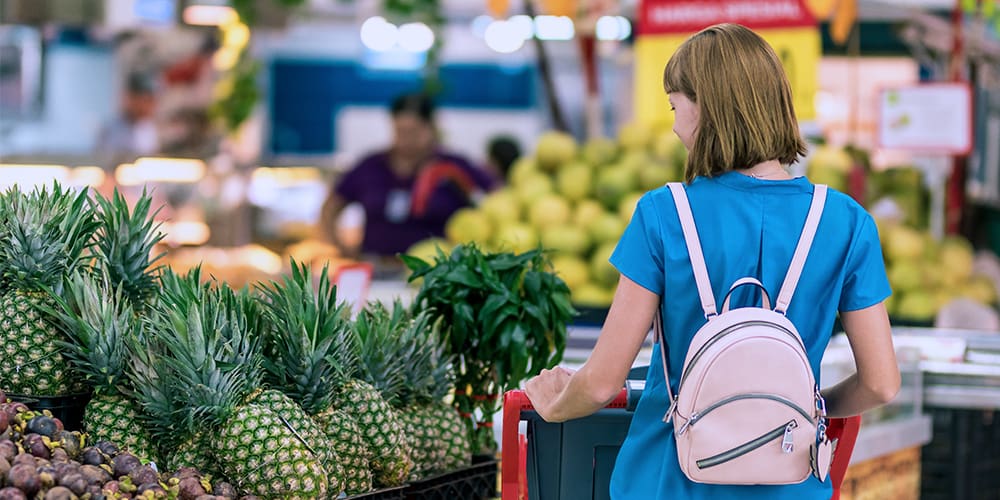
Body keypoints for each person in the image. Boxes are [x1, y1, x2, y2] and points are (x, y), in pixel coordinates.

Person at [524, 23, 900, 500]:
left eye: (675, 106)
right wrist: (797, 408)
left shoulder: (663, 214)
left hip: (667, 481)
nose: (676, 125)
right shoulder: (846, 222)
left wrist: (553, 406)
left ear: (706, 109)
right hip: (791, 480)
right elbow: (881, 384)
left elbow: (600, 383)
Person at [319, 92, 497, 261]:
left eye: (413, 132)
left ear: (431, 128)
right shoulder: (370, 166)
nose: (406, 139)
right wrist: (341, 249)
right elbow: (331, 208)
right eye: (400, 131)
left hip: (438, 273)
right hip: (376, 268)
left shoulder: (453, 167)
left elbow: (495, 200)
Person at [95, 72, 160, 163]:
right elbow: (104, 163)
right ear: (130, 97)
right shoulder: (111, 129)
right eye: (145, 100)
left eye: (152, 101)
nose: (149, 106)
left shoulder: (150, 129)